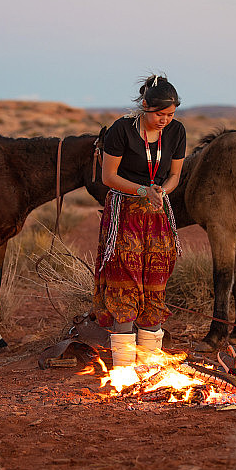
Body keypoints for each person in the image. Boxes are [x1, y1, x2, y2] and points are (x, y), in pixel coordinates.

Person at [93, 74, 186, 367]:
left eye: (170, 115)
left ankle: (150, 367)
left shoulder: (177, 131)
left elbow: (174, 176)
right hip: (124, 213)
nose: (165, 120)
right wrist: (143, 190)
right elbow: (109, 177)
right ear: (145, 106)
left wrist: (161, 191)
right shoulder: (121, 130)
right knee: (125, 282)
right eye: (160, 114)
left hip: (157, 214)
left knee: (156, 283)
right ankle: (123, 368)